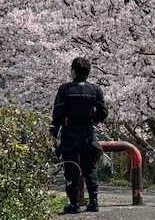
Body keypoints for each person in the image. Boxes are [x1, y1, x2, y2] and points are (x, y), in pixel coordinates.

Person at [50, 57, 108, 214]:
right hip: (88, 132)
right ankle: (94, 202)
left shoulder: (65, 89)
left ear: (74, 71)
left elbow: (57, 114)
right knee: (90, 168)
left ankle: (74, 203)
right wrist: (91, 119)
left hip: (70, 133)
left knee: (71, 168)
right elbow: (103, 112)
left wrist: (55, 132)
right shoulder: (95, 90)